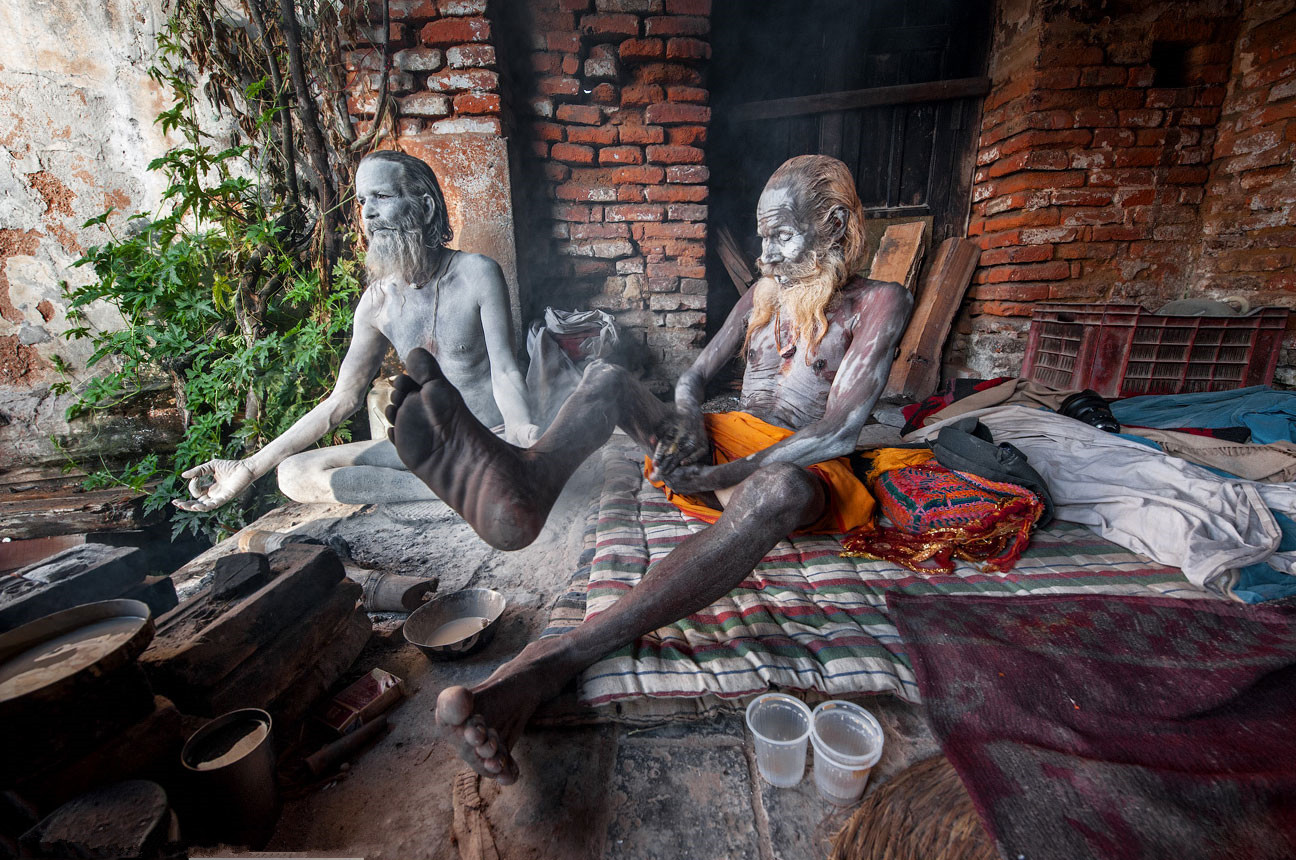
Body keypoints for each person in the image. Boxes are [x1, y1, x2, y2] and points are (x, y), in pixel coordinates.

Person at [384, 154, 914, 784]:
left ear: (832, 223)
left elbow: (842, 428)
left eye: (782, 236)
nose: (765, 254)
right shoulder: (760, 296)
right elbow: (692, 377)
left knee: (780, 490)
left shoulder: (880, 301)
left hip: (790, 464)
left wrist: (724, 475)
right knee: (607, 378)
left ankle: (557, 658)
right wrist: (688, 417)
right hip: (722, 443)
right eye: (762, 236)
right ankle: (526, 482)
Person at [175, 151, 539, 511]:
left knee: (508, 455)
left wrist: (521, 430)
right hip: (424, 446)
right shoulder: (376, 302)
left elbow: (505, 371)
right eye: (363, 200)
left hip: (487, 438)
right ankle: (462, 488)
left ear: (425, 207)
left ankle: (486, 475)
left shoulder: (477, 273)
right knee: (293, 473)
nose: (368, 212)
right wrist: (250, 466)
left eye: (382, 196)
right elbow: (341, 401)